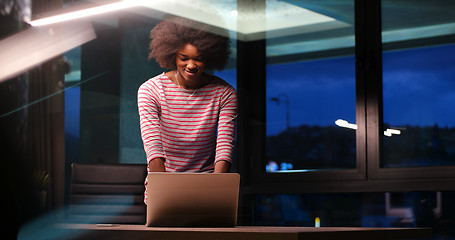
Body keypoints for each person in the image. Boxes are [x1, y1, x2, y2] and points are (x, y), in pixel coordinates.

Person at [138, 16, 238, 203]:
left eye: (198, 60)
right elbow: (153, 146)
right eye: (184, 58)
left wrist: (218, 192)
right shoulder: (150, 90)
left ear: (209, 57)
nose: (191, 66)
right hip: (163, 187)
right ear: (172, 54)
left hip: (208, 190)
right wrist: (163, 191)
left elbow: (224, 146)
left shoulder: (224, 93)